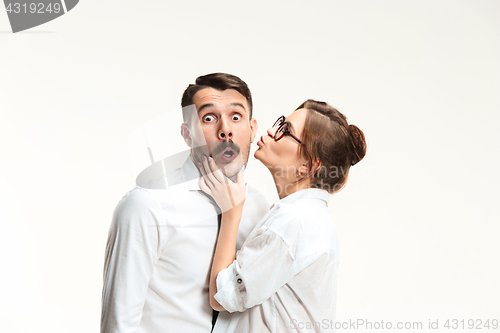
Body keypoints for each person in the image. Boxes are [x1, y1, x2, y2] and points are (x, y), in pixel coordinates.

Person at [100, 73, 270, 333]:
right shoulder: (147, 205)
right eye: (209, 118)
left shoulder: (259, 206)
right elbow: (119, 323)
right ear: (187, 134)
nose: (225, 129)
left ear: (252, 129)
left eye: (236, 117)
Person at [199, 99, 367, 332]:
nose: (270, 130)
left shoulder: (294, 221)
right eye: (280, 123)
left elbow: (222, 297)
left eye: (285, 131)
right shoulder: (309, 217)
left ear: (308, 165)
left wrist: (231, 212)